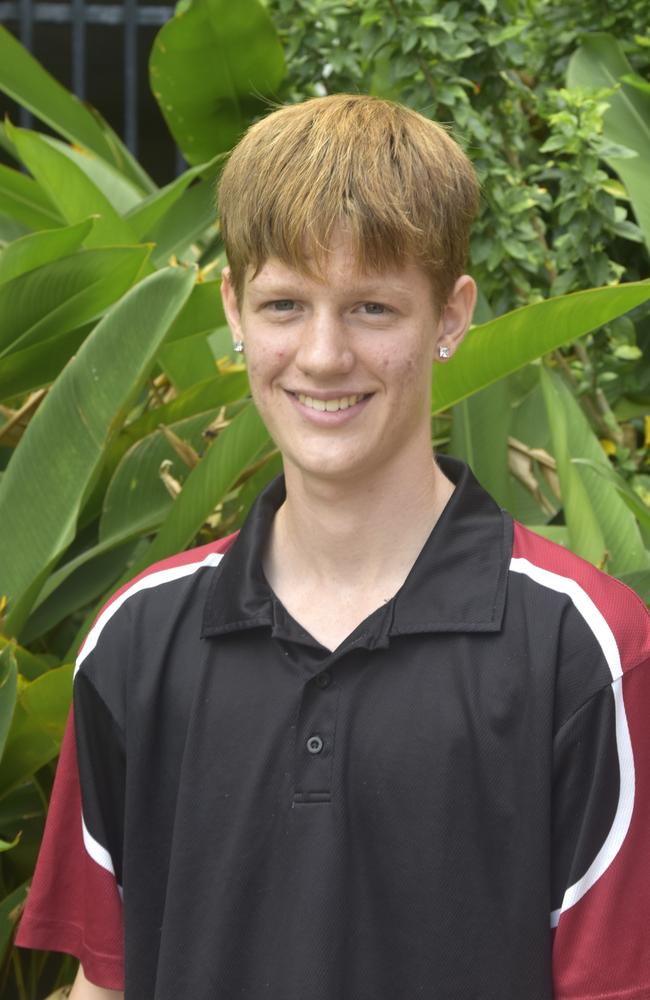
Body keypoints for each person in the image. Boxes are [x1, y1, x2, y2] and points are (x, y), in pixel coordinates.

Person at [15, 94, 650, 1000]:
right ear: (233, 308)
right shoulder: (138, 639)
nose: (321, 355)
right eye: (284, 304)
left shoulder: (581, 648)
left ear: (451, 317)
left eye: (371, 308)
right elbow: (105, 983)